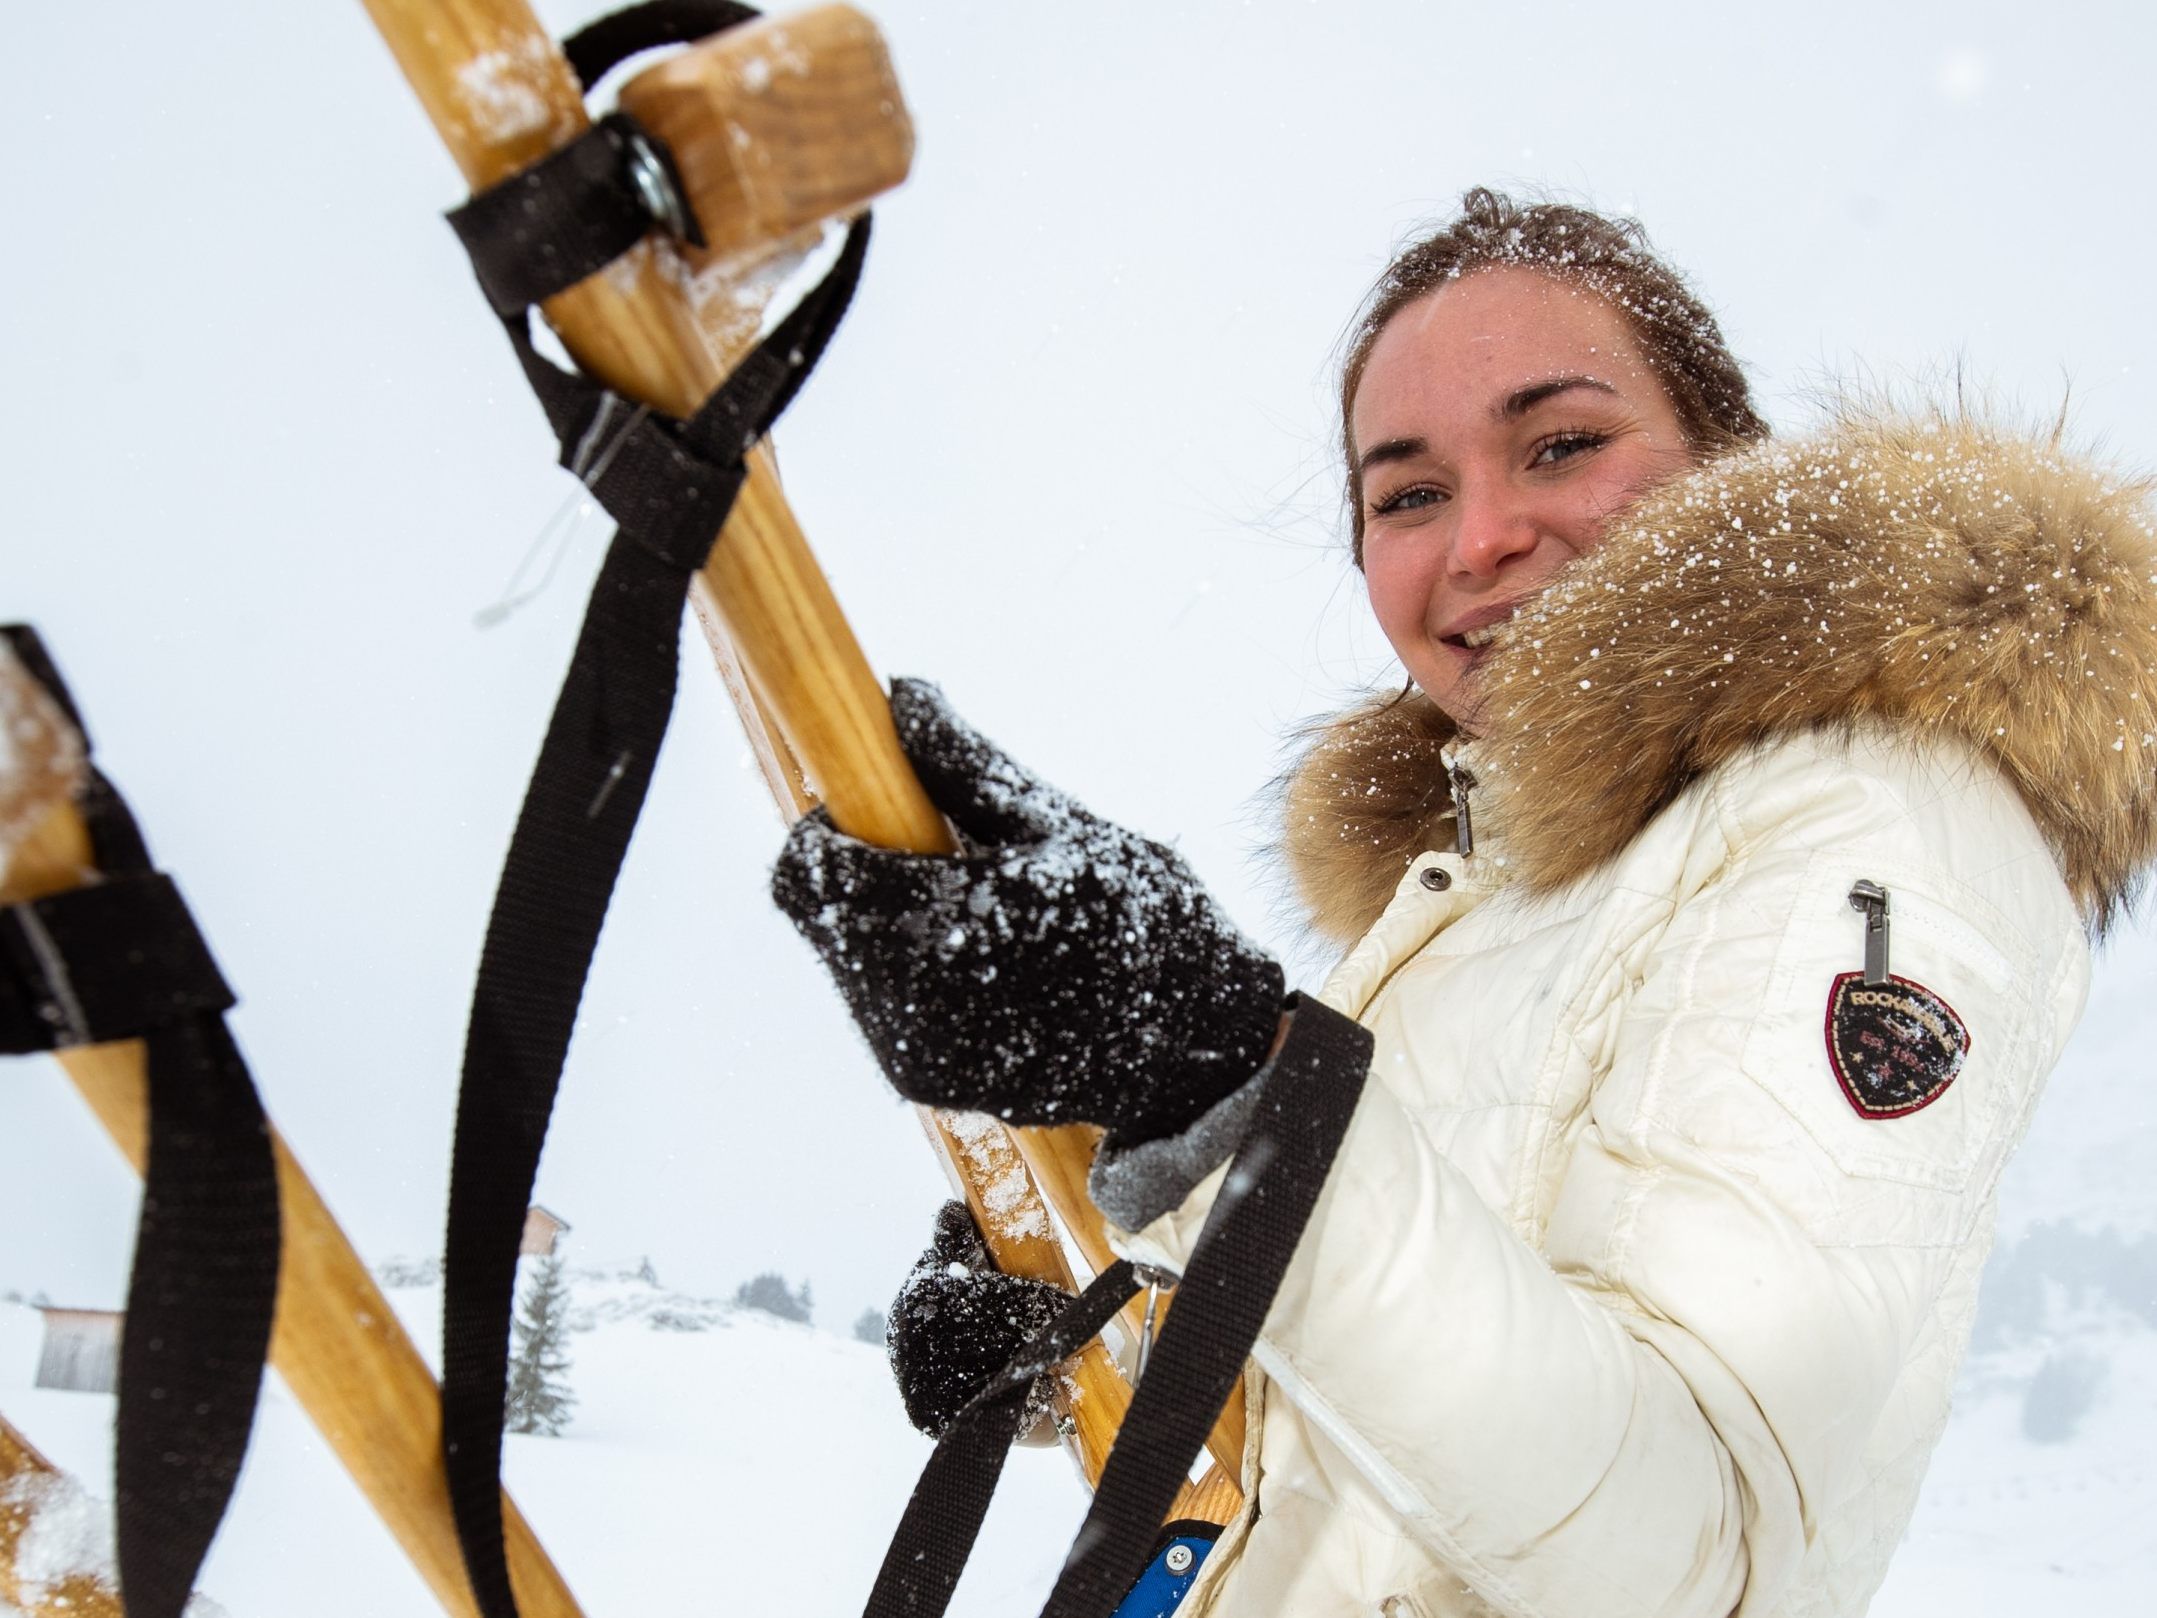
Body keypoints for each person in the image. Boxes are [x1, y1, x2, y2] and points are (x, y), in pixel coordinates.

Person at [771, 189, 2157, 1617]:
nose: (1479, 536)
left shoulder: (1869, 807)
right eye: (1407, 492)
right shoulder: (1473, 894)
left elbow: (1700, 1553)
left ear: (1729, 470)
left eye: (1560, 443)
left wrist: (1221, 1083)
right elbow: (1382, 1420)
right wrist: (1095, 1333)